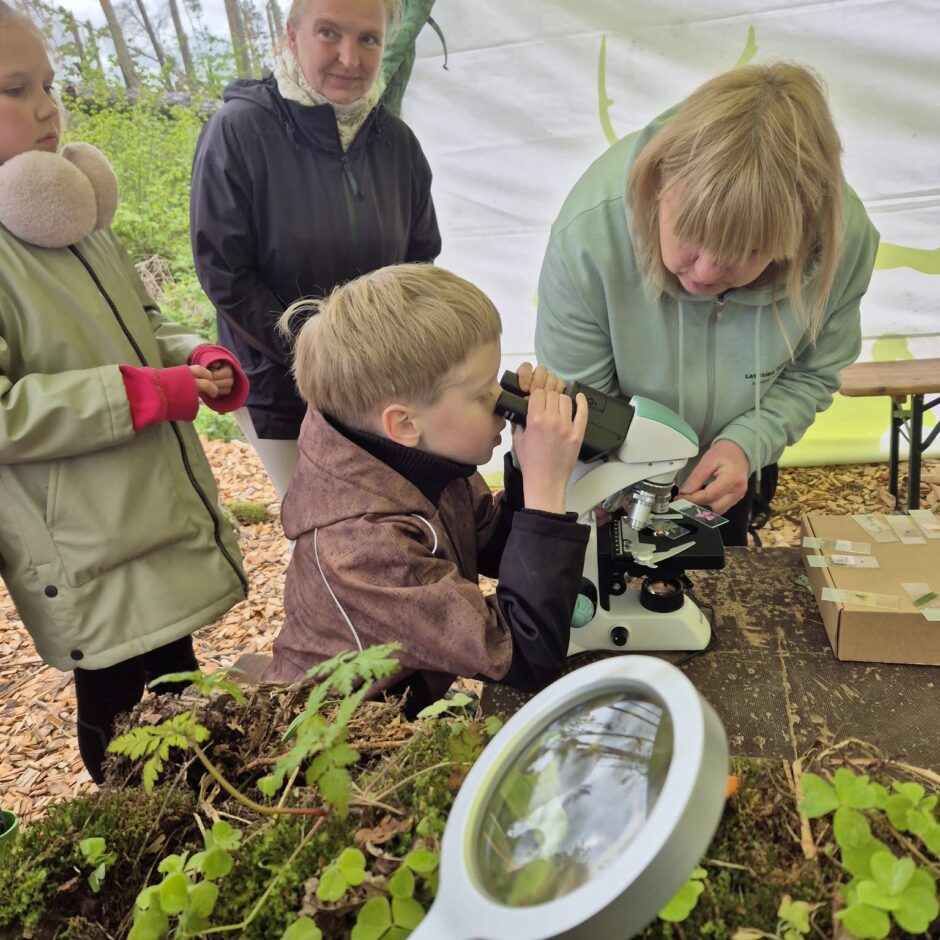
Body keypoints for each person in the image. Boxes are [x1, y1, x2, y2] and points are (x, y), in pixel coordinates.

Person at [0, 2, 250, 783]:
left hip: (147, 524)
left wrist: (195, 356)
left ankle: (199, 845)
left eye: (47, 82)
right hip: (84, 547)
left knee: (179, 691)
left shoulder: (67, 215)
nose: (46, 107)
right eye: (13, 89)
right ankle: (151, 865)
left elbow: (141, 325)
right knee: (123, 719)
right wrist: (143, 394)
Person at [536, 63, 880, 545]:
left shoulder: (843, 243)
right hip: (605, 477)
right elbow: (581, 393)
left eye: (749, 254)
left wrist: (746, 444)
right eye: (691, 239)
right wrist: (616, 493)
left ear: (796, 235)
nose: (704, 272)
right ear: (659, 187)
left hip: (722, 478)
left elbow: (813, 372)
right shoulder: (591, 234)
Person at [263, 264, 590, 715]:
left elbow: (494, 546)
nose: (502, 405)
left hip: (404, 702)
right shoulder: (364, 548)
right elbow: (526, 656)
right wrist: (546, 492)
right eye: (483, 394)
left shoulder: (416, 460)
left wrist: (527, 455)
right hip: (341, 744)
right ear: (404, 424)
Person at [190, 0, 441, 502]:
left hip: (375, 382)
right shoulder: (239, 130)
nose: (350, 58)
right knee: (318, 525)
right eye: (329, 33)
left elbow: (419, 260)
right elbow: (225, 272)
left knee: (382, 518)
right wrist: (320, 356)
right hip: (281, 382)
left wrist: (388, 358)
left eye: (368, 39)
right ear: (291, 34)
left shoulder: (397, 143)